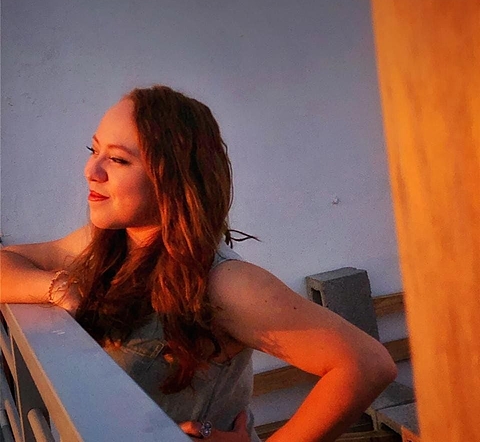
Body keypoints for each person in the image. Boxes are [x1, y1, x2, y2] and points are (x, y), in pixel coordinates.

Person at [0, 85, 397, 441]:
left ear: (172, 177)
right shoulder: (106, 246)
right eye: (94, 150)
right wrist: (57, 289)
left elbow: (366, 364)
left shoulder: (224, 282)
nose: (91, 171)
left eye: (118, 160)